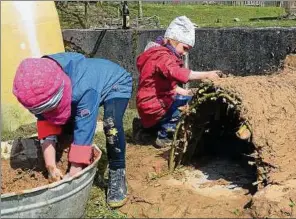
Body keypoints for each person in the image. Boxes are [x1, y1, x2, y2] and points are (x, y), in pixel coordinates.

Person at [12, 52, 132, 208]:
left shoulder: (84, 87)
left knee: (111, 124)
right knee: (64, 124)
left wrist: (74, 172)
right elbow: (46, 123)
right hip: (78, 87)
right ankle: (67, 156)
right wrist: (51, 167)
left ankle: (117, 171)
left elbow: (85, 126)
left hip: (115, 83)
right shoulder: (38, 82)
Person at [136, 16, 221, 148]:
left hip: (147, 103)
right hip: (155, 105)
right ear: (172, 40)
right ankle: (166, 136)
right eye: (185, 48)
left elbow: (166, 86)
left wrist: (186, 91)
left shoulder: (154, 54)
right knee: (184, 106)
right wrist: (207, 74)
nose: (184, 53)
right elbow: (177, 73)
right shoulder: (163, 56)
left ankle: (146, 129)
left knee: (184, 97)